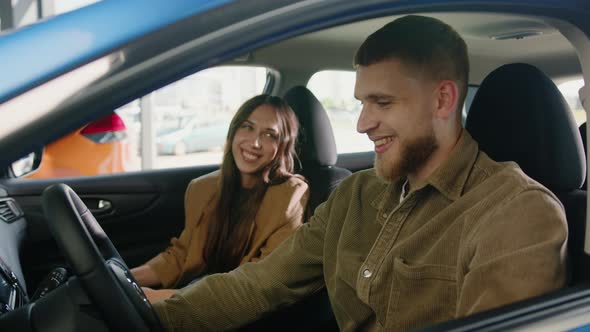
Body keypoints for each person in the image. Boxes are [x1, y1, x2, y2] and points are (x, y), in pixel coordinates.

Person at [151, 15, 567, 331]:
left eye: (382, 103)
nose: (362, 123)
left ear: (442, 100)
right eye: (361, 103)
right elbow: (259, 284)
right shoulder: (357, 193)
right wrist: (152, 313)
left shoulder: (516, 214)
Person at [131, 94, 309, 303]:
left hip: (240, 304)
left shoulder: (290, 196)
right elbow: (182, 255)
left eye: (270, 135)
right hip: (198, 289)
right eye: (247, 127)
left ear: (283, 145)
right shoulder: (203, 188)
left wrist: (160, 297)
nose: (255, 143)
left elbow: (261, 281)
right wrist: (126, 278)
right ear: (233, 132)